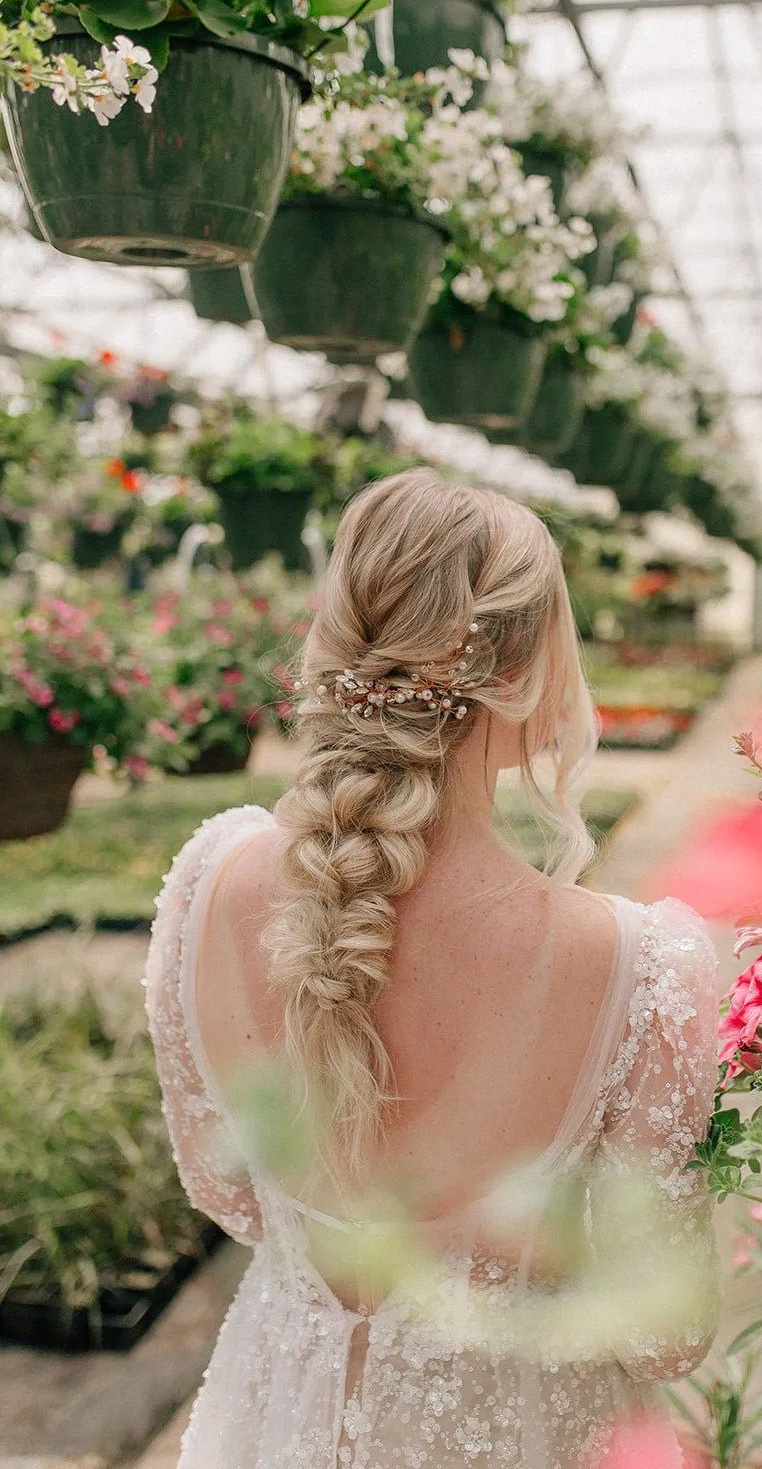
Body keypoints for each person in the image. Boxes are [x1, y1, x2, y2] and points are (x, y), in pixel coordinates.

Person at [146, 469, 719, 1469]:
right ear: (524, 666)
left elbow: (225, 1194)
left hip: (268, 1421)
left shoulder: (209, 881)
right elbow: (660, 1333)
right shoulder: (640, 965)